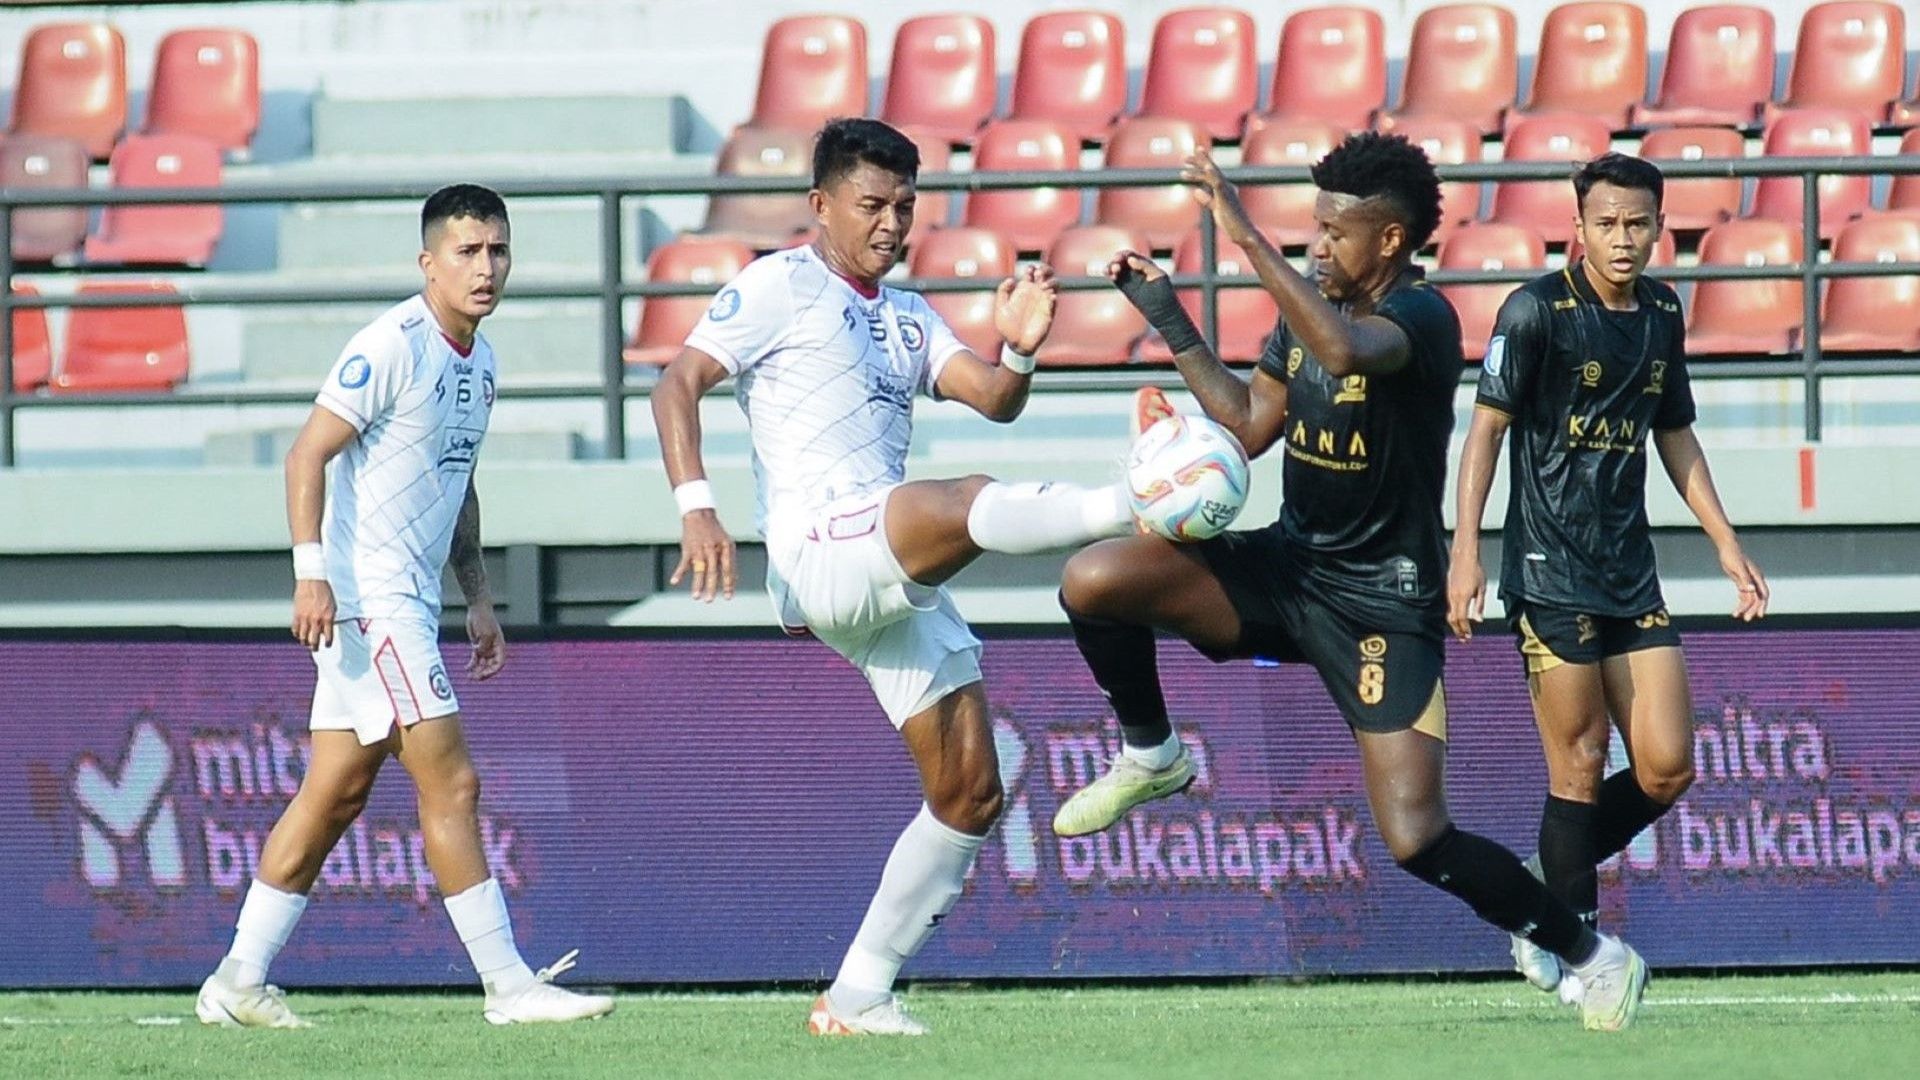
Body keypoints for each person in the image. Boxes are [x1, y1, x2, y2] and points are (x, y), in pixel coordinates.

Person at [1050, 133, 1649, 1031]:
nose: (1317, 247)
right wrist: (1169, 318)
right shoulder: (1312, 308)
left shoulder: (1423, 318)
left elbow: (1342, 350)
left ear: (1391, 241)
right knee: (1095, 578)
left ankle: (1590, 952)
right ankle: (1152, 754)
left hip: (1382, 603)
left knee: (1415, 836)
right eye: (1312, 230)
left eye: (1335, 233)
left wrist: (1240, 228)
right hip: (1288, 570)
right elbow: (1250, 424)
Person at [651, 118, 1140, 1036]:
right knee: (957, 502)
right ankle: (1132, 501)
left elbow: (994, 400)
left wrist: (1021, 348)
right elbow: (676, 384)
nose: (889, 223)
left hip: (881, 567)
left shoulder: (908, 313)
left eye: (904, 207)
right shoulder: (778, 285)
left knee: (972, 789)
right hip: (819, 548)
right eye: (871, 204)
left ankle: (859, 993)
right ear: (821, 204)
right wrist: (696, 505)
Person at [195, 185, 614, 1028]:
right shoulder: (392, 343)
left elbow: (456, 487)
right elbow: (307, 453)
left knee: (333, 795)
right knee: (453, 780)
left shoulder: (482, 361)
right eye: (467, 251)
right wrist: (310, 575)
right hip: (371, 601)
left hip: (410, 602)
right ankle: (508, 985)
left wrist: (481, 598)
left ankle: (237, 981)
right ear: (429, 263)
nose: (486, 266)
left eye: (497, 250)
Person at [1448, 152, 1768, 998]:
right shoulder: (1535, 313)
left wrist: (1725, 542)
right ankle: (1576, 953)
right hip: (1550, 572)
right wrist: (1466, 551)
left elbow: (1676, 433)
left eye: (1637, 225)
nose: (1622, 241)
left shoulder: (1663, 312)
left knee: (1667, 767)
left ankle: (1542, 879)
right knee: (1580, 763)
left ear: (1660, 227)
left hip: (1632, 572)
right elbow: (1483, 435)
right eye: (1606, 225)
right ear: (1578, 226)